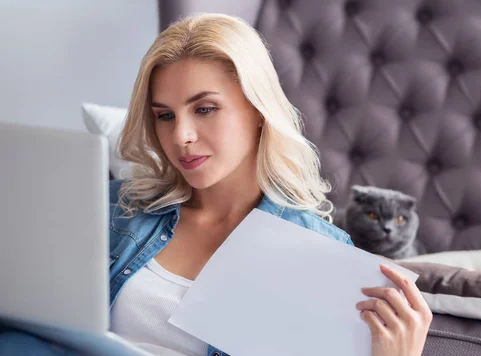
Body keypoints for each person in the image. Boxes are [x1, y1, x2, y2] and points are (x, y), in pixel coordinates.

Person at [0, 13, 432, 356]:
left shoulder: (323, 254)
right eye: (164, 115)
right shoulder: (114, 209)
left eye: (204, 109)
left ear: (257, 109)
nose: (180, 136)